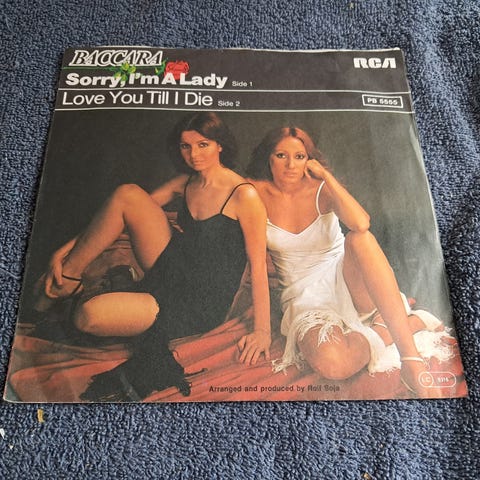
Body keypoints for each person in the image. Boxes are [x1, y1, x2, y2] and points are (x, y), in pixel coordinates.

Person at [40, 112, 271, 401]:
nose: (193, 154)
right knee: (128, 194)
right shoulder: (187, 181)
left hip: (198, 301)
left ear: (220, 145)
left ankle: (73, 292)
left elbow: (258, 266)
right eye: (186, 146)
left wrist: (263, 331)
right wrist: (65, 251)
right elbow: (114, 214)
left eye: (203, 145)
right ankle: (69, 279)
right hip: (174, 265)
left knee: (87, 316)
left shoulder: (244, 195)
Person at [247, 126, 453, 397]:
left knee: (360, 238)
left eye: (299, 156)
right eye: (281, 155)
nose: (290, 165)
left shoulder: (321, 188)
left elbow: (361, 223)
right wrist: (262, 331)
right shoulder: (253, 193)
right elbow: (258, 265)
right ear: (268, 157)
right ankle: (400, 325)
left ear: (309, 160)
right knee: (334, 365)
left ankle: (410, 360)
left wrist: (326, 176)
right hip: (304, 296)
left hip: (347, 279)